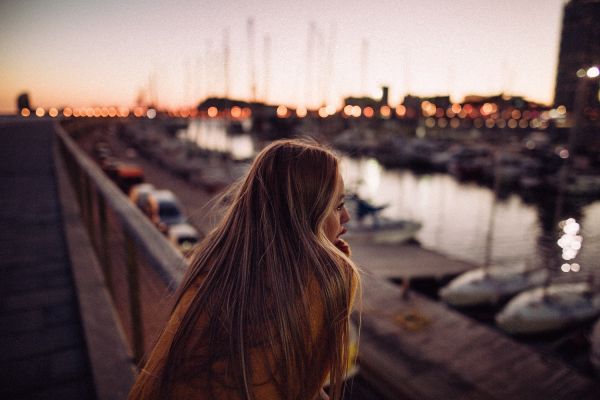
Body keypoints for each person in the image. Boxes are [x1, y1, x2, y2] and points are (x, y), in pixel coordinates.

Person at [129, 139, 360, 400]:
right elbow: (304, 385)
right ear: (305, 216)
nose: (346, 218)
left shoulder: (217, 261)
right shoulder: (326, 278)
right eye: (338, 206)